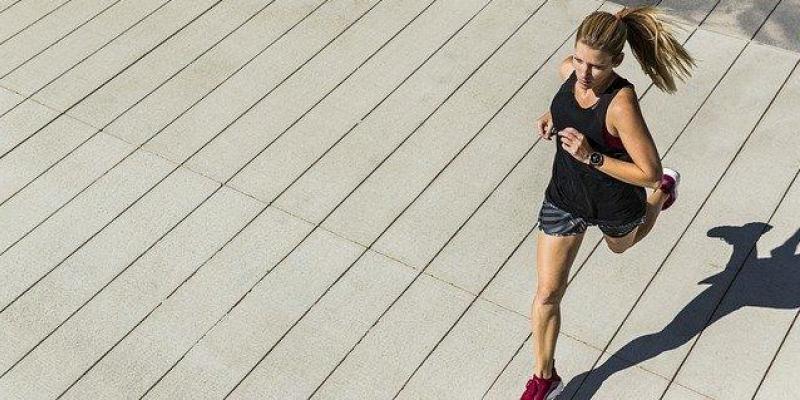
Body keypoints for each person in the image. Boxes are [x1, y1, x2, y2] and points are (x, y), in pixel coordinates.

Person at [520, 6, 695, 400]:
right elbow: (569, 97)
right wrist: (552, 113)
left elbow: (647, 170)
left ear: (616, 62)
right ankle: (544, 379)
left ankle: (664, 196)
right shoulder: (571, 70)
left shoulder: (621, 104)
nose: (583, 73)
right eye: (579, 59)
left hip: (613, 199)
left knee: (620, 246)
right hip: (565, 195)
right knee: (547, 292)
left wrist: (592, 157)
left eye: (596, 67)